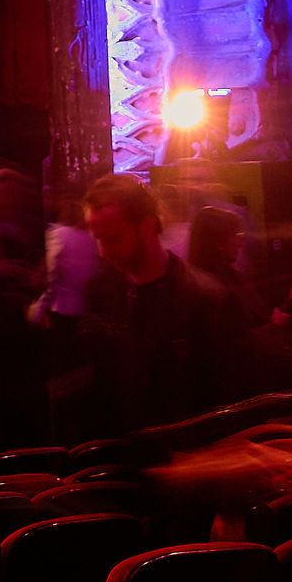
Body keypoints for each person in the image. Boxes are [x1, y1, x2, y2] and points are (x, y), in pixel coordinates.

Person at [63, 173, 243, 434]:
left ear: (147, 226)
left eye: (112, 239)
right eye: (97, 239)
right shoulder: (100, 292)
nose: (103, 252)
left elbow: (221, 398)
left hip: (185, 451)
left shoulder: (204, 298)